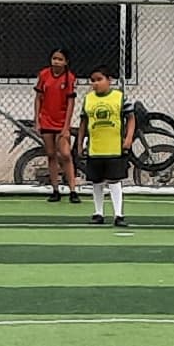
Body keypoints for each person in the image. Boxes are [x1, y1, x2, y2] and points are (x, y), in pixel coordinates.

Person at [75, 66, 138, 228]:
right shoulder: (89, 99)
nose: (95, 83)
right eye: (93, 80)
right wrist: (80, 144)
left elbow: (131, 118)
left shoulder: (119, 98)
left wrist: (128, 138)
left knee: (114, 181)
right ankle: (98, 213)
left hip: (114, 148)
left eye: (99, 79)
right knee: (97, 182)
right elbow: (83, 123)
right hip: (95, 148)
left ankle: (118, 214)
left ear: (109, 80)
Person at [32, 48, 80, 202]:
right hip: (46, 120)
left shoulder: (69, 78)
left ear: (66, 62)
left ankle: (73, 190)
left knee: (65, 154)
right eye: (54, 58)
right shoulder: (44, 75)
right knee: (51, 154)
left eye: (60, 59)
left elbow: (71, 103)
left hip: (61, 122)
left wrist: (66, 127)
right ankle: (55, 189)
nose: (56, 62)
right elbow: (38, 98)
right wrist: (37, 120)